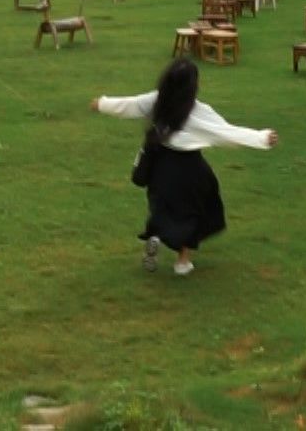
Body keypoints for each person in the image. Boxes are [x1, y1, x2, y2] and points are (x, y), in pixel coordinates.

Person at [90, 57, 277, 276]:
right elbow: (228, 133)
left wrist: (101, 104)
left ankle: (156, 236)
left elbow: (128, 105)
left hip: (159, 166)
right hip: (189, 168)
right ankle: (182, 261)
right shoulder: (198, 111)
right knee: (193, 211)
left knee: (163, 205)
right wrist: (262, 138)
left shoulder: (156, 100)